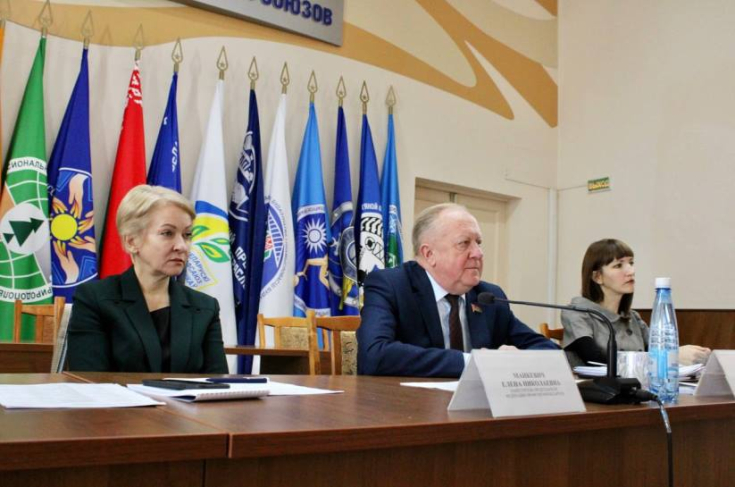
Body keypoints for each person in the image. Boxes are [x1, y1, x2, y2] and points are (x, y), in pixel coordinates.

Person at [357, 203, 558, 378]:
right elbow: (374, 355)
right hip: (407, 404)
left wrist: (517, 360)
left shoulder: (488, 296)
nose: (478, 253)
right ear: (429, 254)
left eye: (478, 243)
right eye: (464, 243)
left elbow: (550, 351)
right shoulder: (391, 285)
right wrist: (474, 362)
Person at [67, 185, 228, 373]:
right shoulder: (94, 299)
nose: (182, 246)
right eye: (167, 233)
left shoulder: (205, 307)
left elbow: (217, 382)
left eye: (187, 235)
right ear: (131, 241)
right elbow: (89, 380)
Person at [561, 238, 710, 366]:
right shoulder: (576, 313)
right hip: (592, 390)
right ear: (597, 277)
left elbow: (659, 350)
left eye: (631, 263)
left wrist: (693, 356)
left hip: (637, 387)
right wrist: (668, 357)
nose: (631, 271)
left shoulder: (633, 318)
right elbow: (594, 360)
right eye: (618, 265)